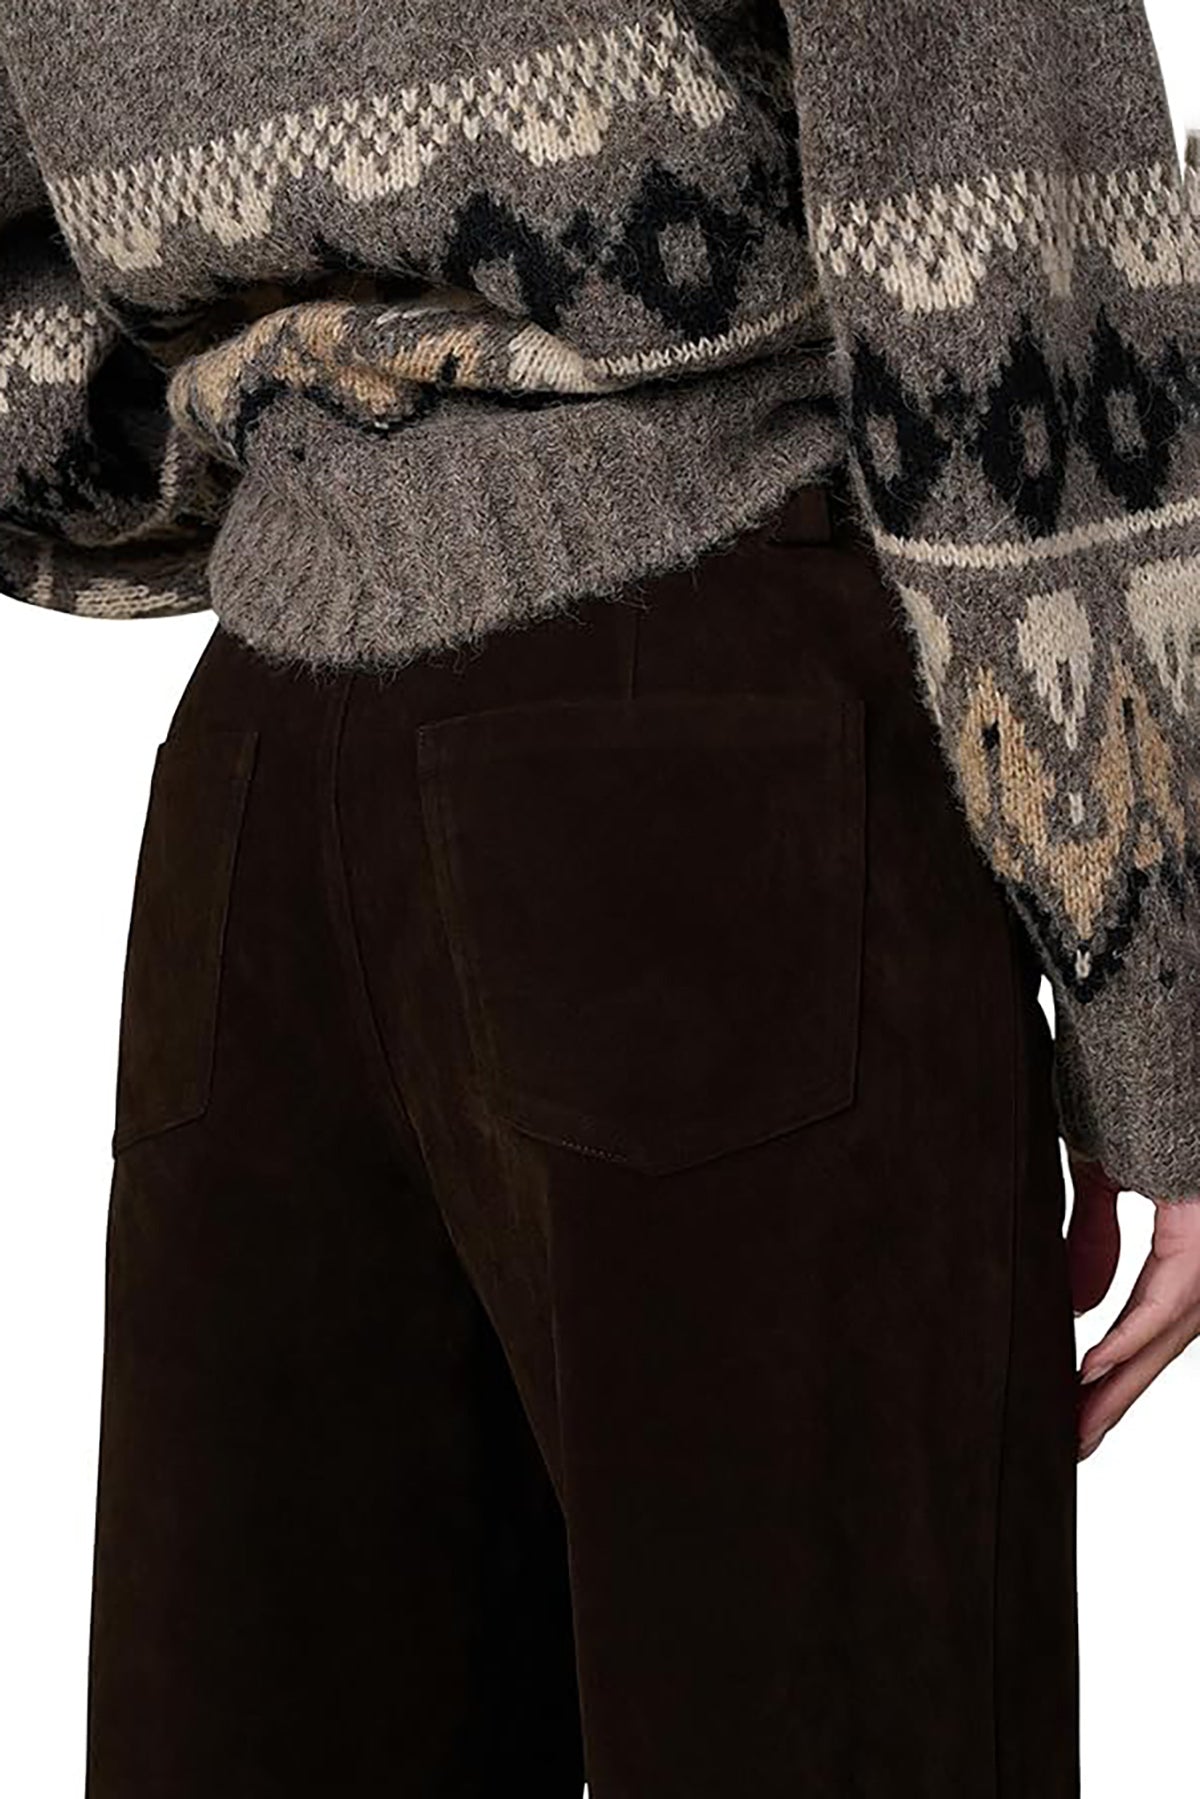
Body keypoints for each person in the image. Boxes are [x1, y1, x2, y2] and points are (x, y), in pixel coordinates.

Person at [1, 4, 1197, 1793]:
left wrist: (296, 420)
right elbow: (987, 162)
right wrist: (1154, 1001)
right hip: (723, 746)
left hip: (262, 793)